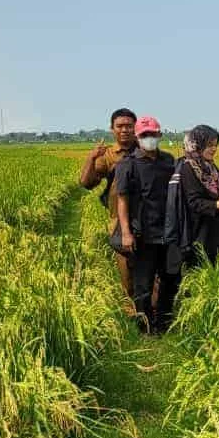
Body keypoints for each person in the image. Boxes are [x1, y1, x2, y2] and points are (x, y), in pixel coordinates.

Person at [114, 115, 179, 333]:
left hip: (167, 231)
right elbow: (122, 199)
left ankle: (164, 322)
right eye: (145, 135)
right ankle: (144, 326)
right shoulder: (128, 165)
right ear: (137, 137)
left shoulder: (169, 161)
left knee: (170, 278)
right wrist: (126, 232)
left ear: (159, 135)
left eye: (153, 134)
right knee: (143, 282)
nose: (149, 138)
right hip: (142, 232)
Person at [78, 107, 137, 304]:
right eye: (120, 126)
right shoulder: (109, 156)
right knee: (126, 275)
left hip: (148, 220)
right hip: (119, 223)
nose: (125, 130)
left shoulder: (146, 151)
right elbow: (87, 183)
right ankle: (132, 318)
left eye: (129, 126)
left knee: (152, 273)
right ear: (112, 129)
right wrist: (92, 157)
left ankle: (152, 318)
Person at [177, 125, 219, 266]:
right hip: (198, 232)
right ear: (197, 145)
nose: (214, 149)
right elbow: (193, 202)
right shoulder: (188, 168)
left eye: (215, 145)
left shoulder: (212, 168)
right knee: (198, 273)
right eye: (209, 145)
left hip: (216, 230)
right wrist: (217, 204)